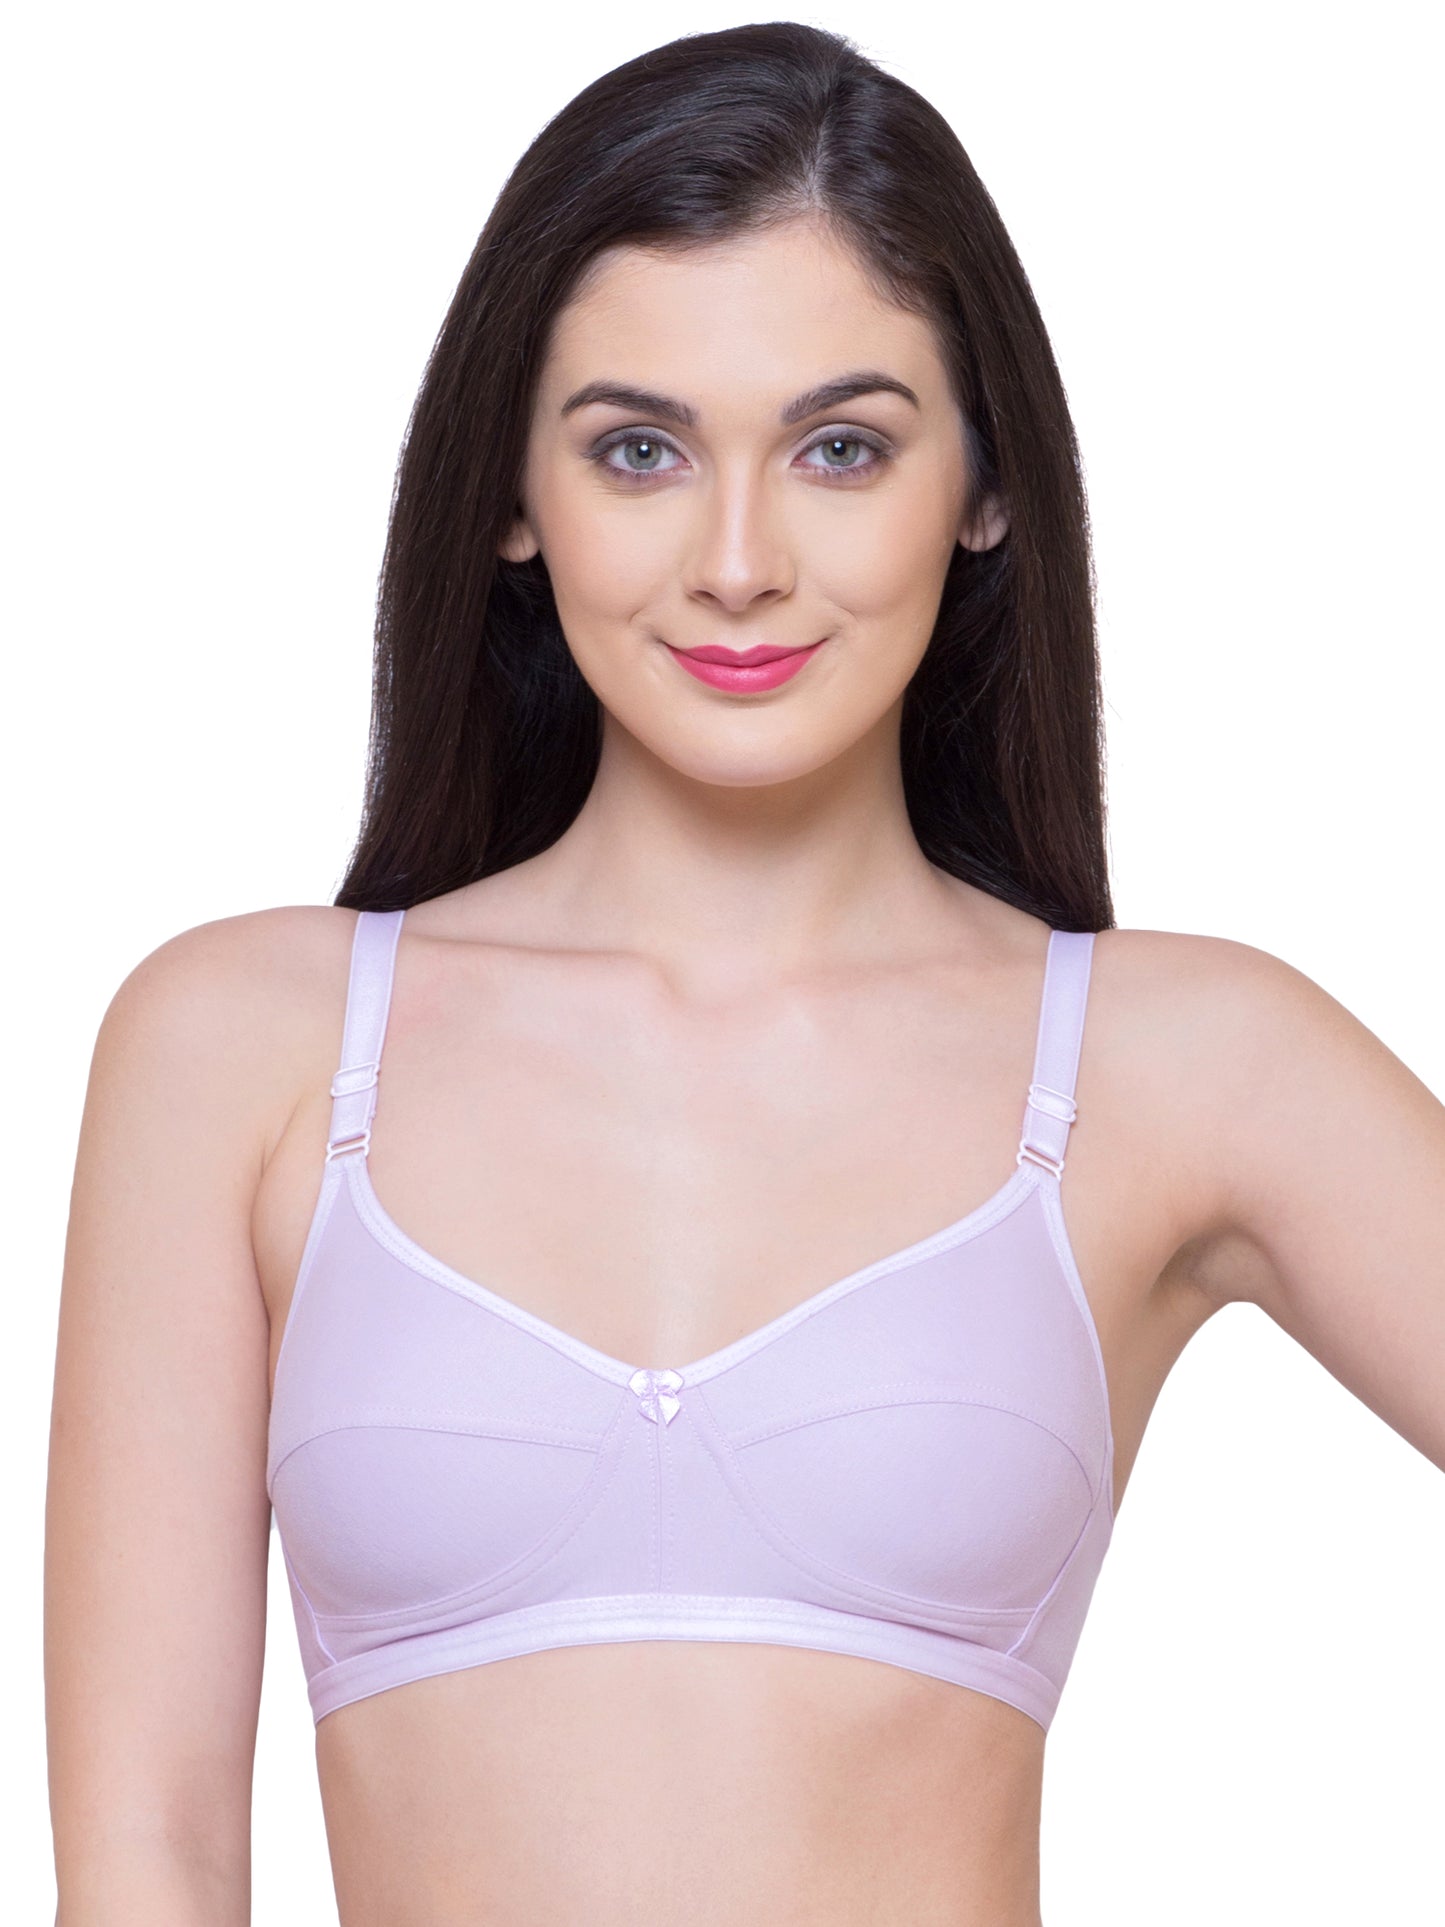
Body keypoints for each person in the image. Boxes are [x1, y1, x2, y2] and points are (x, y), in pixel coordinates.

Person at [44, 19, 1445, 1926]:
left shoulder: (1184, 1063)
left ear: (982, 486)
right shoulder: (243, 1044)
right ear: (512, 497)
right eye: (638, 449)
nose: (735, 561)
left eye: (838, 447)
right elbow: (152, 1854)